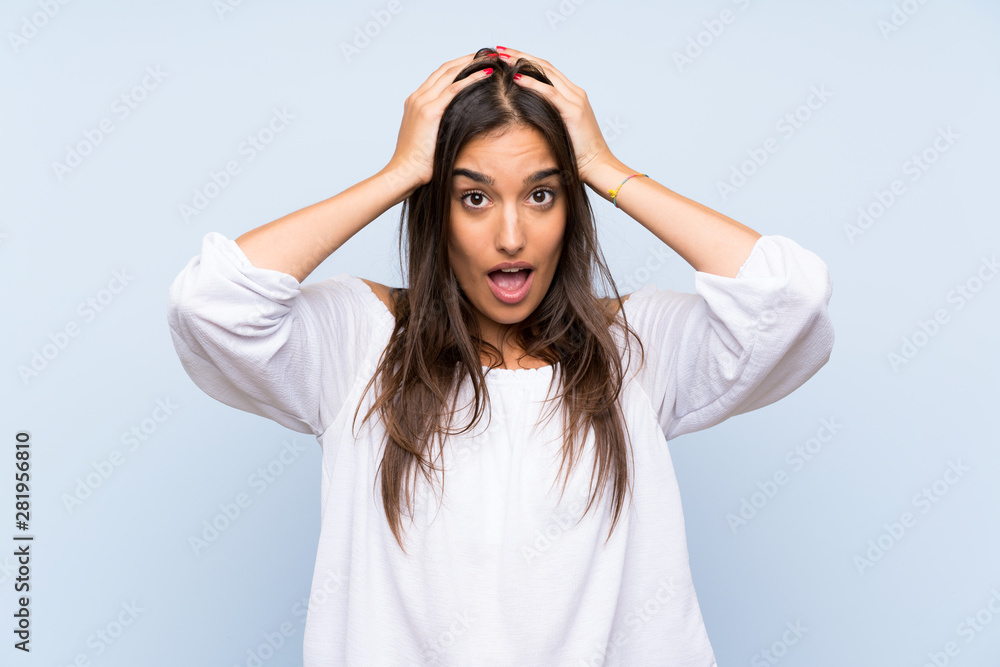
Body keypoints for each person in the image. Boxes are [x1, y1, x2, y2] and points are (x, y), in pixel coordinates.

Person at [167, 46, 834, 666]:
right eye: (474, 197)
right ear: (436, 210)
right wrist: (400, 173)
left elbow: (790, 298)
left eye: (542, 194)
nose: (511, 236)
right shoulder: (361, 342)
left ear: (571, 208)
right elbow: (211, 302)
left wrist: (603, 167)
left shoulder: (636, 346)